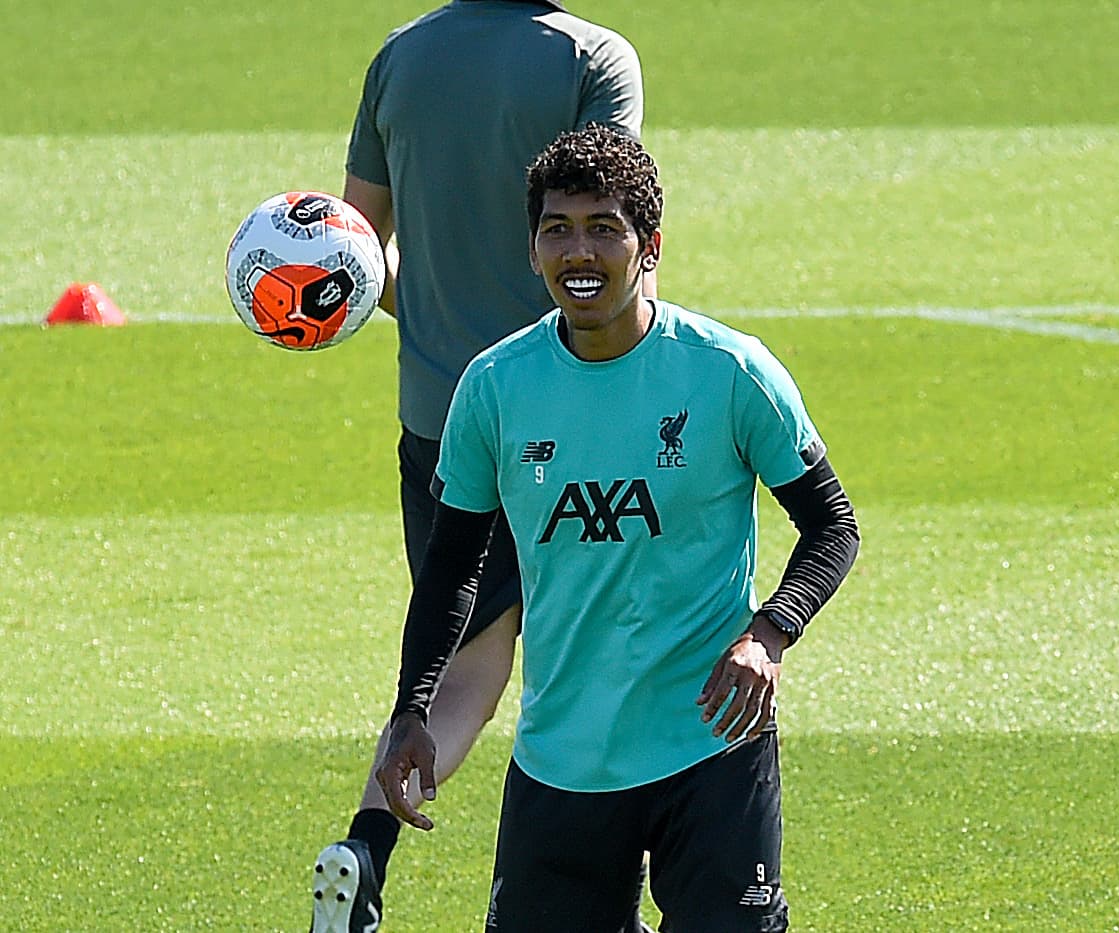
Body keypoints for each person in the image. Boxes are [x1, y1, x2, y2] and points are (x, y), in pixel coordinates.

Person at [376, 124, 861, 932]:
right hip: (562, 757)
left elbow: (831, 524)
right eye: (557, 230)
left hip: (709, 746)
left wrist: (768, 633)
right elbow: (454, 565)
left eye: (605, 228)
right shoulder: (494, 388)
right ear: (530, 251)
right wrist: (411, 707)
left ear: (650, 246)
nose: (580, 252)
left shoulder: (729, 371)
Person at [309, 4, 646, 932]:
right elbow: (610, 226)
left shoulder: (400, 55)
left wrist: (434, 320)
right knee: (605, 661)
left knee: (465, 668)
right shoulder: (591, 57)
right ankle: (607, 888)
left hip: (439, 417)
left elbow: (357, 248)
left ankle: (365, 850)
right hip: (570, 409)